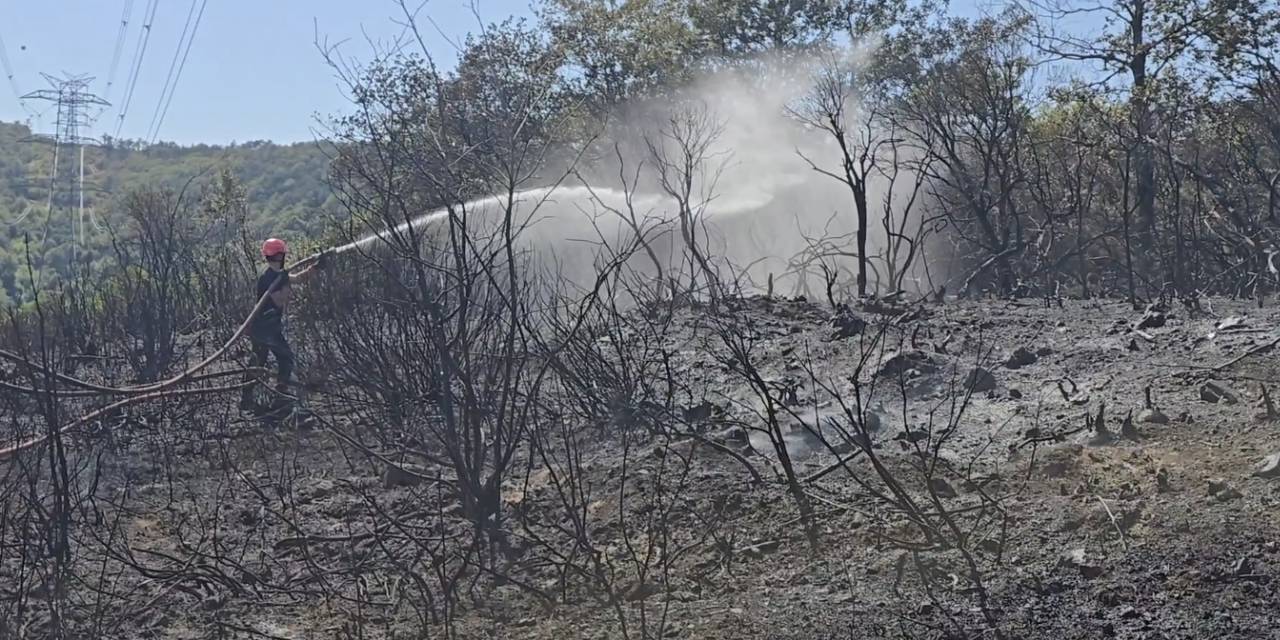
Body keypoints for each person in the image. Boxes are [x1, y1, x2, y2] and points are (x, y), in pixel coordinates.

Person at [241, 237, 329, 409]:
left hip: (268, 327)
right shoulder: (268, 279)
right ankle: (274, 395)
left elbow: (297, 278)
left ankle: (251, 397)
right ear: (279, 255)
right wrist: (284, 284)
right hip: (264, 327)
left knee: (262, 361)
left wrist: (315, 268)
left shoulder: (279, 275)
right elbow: (279, 301)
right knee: (282, 358)